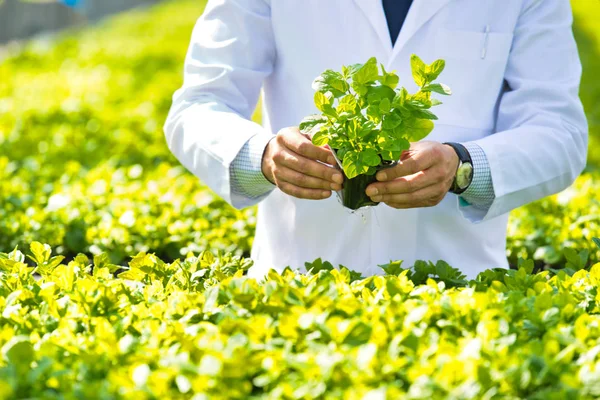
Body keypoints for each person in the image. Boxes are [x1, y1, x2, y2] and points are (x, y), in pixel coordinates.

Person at [164, 0, 588, 279]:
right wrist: (263, 157)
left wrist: (463, 167)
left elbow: (560, 130)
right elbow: (198, 105)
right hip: (296, 292)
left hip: (458, 295)